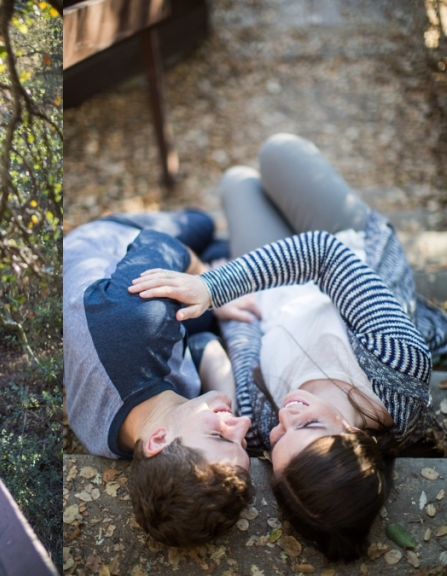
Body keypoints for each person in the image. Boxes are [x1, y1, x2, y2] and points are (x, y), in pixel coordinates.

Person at [129, 133, 447, 561]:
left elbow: (238, 343)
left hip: (273, 293)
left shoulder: (260, 423)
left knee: (237, 182)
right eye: (308, 426)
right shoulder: (399, 367)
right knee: (277, 150)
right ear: (354, 435)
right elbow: (325, 254)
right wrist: (214, 285)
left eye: (279, 439)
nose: (285, 416)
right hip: (347, 246)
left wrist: (230, 306)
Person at [63, 209, 258, 548]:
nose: (241, 424)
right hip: (132, 317)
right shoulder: (142, 438)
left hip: (111, 241)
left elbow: (161, 244)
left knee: (203, 225)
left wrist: (215, 289)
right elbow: (200, 344)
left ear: (158, 441)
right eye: (241, 443)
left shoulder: (141, 323)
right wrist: (225, 396)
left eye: (221, 435)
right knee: (216, 267)